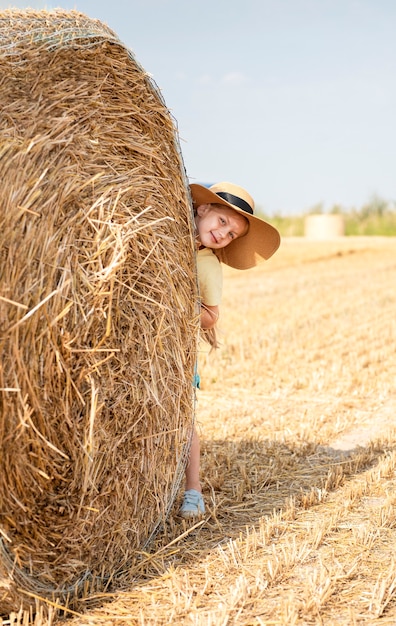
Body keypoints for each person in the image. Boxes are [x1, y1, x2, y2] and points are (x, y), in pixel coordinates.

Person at [179, 181, 281, 518]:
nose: (224, 234)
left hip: (175, 353)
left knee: (183, 420)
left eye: (232, 234)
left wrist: (177, 302)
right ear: (204, 208)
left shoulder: (208, 266)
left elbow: (210, 317)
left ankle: (192, 490)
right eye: (223, 222)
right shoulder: (164, 236)